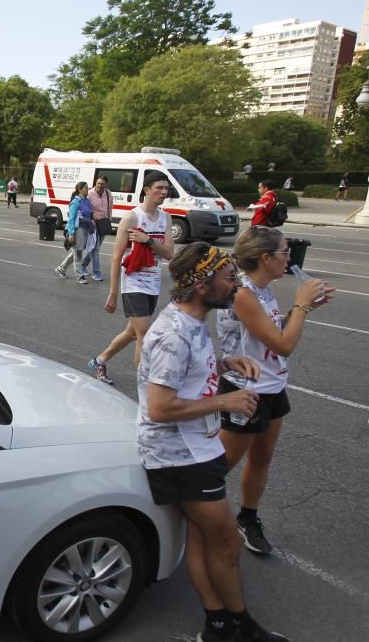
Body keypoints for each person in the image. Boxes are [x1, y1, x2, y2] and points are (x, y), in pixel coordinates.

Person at [138, 241, 290, 642]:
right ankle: (238, 625)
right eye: (227, 277)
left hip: (195, 444)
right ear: (203, 285)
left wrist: (225, 363)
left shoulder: (191, 320)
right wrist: (226, 399)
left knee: (206, 537)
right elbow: (160, 407)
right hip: (178, 452)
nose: (236, 283)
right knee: (224, 541)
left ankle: (220, 624)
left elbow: (180, 376)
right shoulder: (174, 334)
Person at [217, 227, 334, 555]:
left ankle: (247, 518)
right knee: (220, 463)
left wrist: (298, 311)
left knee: (262, 457)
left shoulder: (264, 291)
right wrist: (302, 307)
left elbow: (271, 330)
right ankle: (184, 511)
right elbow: (284, 345)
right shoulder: (242, 292)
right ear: (265, 258)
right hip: (245, 388)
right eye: (285, 253)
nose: (290, 259)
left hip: (271, 385)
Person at [89, 170, 174, 385]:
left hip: (153, 282)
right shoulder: (132, 218)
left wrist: (148, 241)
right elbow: (116, 257)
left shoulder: (165, 218)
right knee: (144, 334)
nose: (164, 192)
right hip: (133, 281)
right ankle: (145, 387)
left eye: (166, 189)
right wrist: (113, 293)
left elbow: (169, 253)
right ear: (147, 190)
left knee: (133, 333)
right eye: (159, 188)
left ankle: (99, 360)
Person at [54, 182, 93, 283]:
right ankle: (79, 276)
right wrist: (71, 233)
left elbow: (88, 214)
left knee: (76, 252)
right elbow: (71, 219)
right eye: (85, 188)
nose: (87, 190)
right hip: (77, 230)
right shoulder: (76, 202)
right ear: (79, 189)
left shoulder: (86, 201)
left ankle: (61, 269)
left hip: (85, 229)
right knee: (77, 253)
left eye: (87, 188)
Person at [87, 176, 113, 281]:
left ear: (105, 184)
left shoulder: (108, 193)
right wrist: (90, 220)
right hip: (93, 223)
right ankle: (97, 273)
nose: (99, 185)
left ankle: (83, 266)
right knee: (95, 249)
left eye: (102, 184)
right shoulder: (89, 193)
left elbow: (110, 206)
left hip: (104, 224)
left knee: (94, 249)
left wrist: (109, 218)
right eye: (98, 183)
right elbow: (85, 208)